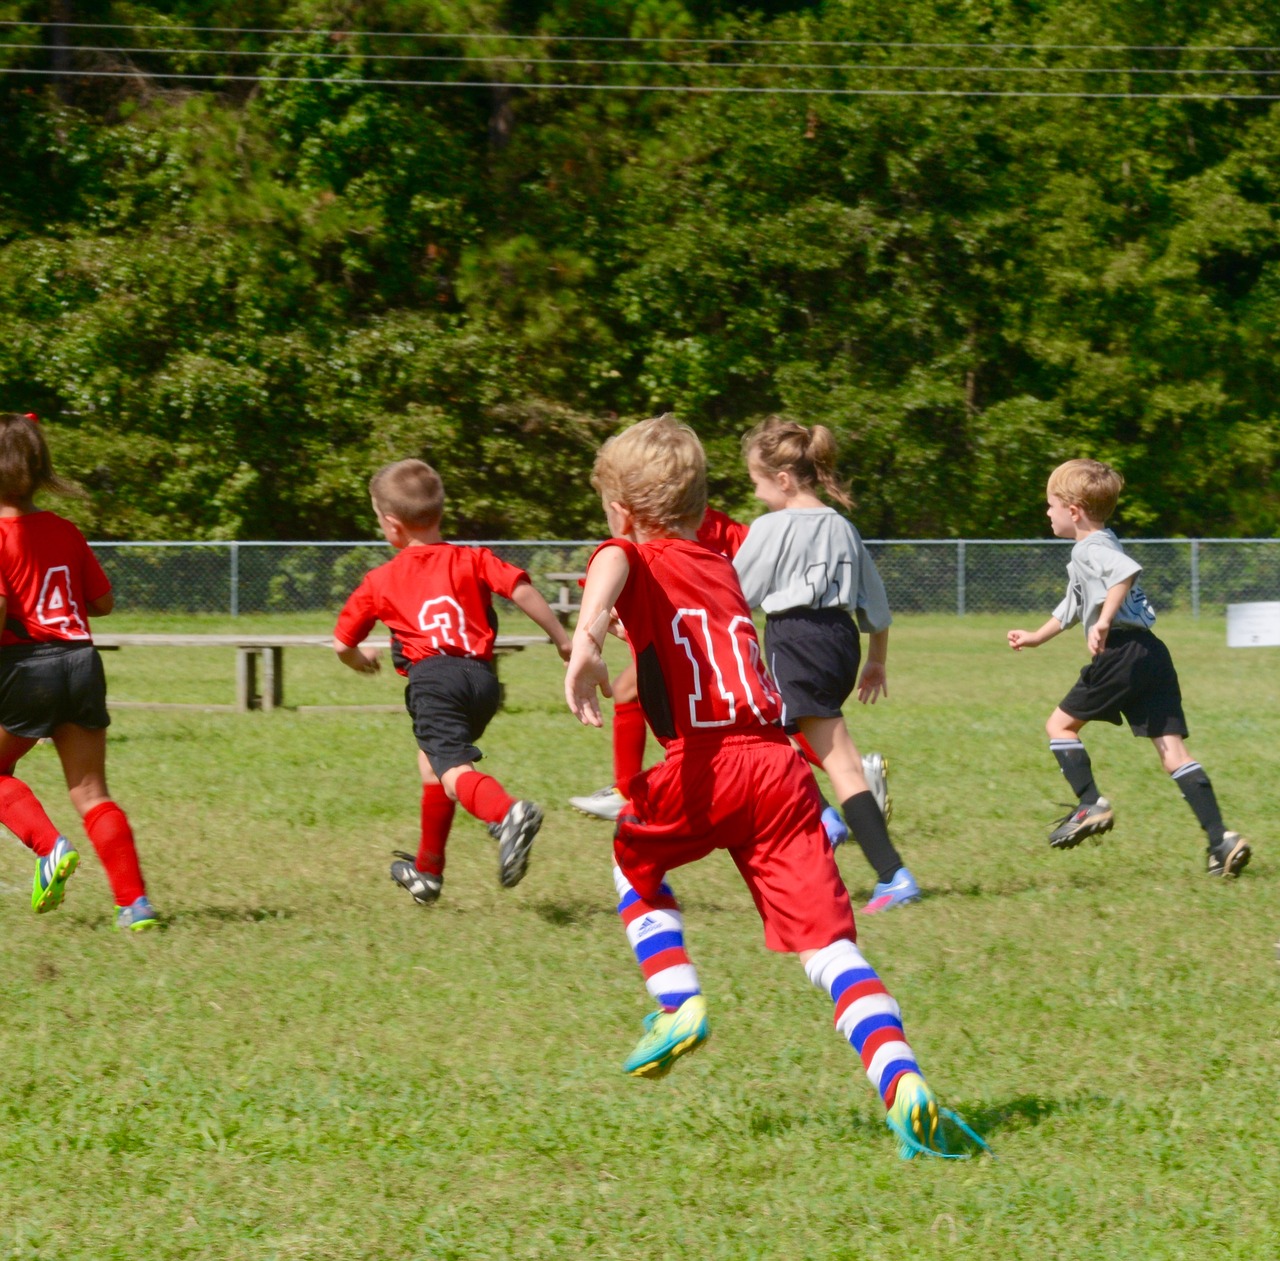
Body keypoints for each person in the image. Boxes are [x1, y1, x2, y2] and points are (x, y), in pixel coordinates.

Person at [565, 416, 979, 1159]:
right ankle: (902, 1079)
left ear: (622, 511)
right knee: (828, 944)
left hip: (706, 763)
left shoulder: (629, 551)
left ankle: (678, 1002)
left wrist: (589, 637)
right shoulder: (725, 558)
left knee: (633, 862)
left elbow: (613, 566)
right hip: (782, 770)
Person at [567, 508, 891, 840]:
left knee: (758, 720)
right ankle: (629, 792)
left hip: (703, 636)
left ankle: (633, 797)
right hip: (700, 634)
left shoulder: (688, 523)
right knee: (758, 716)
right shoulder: (696, 518)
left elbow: (748, 561)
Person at [334, 459, 572, 905]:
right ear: (439, 513)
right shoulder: (472, 557)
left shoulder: (380, 580)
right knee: (433, 764)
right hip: (483, 681)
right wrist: (562, 640)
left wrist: (361, 661)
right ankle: (428, 871)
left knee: (452, 771)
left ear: (391, 524)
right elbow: (520, 588)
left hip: (433, 682)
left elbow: (343, 642)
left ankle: (507, 814)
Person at [1008, 459, 1251, 875]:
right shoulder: (1102, 542)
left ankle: (1090, 804)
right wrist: (1035, 635)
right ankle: (1221, 839)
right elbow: (1071, 608)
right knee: (1173, 752)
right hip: (1151, 654)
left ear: (1074, 508)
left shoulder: (1092, 548)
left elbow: (1125, 574)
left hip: (1120, 652)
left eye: (1050, 505)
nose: (1046, 513)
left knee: (1059, 727)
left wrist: (1103, 621)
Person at [731, 417, 920, 913]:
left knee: (764, 741)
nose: (756, 494)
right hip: (841, 642)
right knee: (825, 753)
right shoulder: (842, 526)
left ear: (785, 479)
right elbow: (876, 608)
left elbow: (733, 595)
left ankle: (849, 839)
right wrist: (876, 663)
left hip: (794, 640)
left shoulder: (771, 528)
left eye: (757, 482)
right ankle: (872, 858)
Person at [0, 413, 156, 929]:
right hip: (81, 661)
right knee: (92, 792)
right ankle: (134, 905)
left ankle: (51, 849)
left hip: (26, 667)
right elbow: (103, 601)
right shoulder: (65, 529)